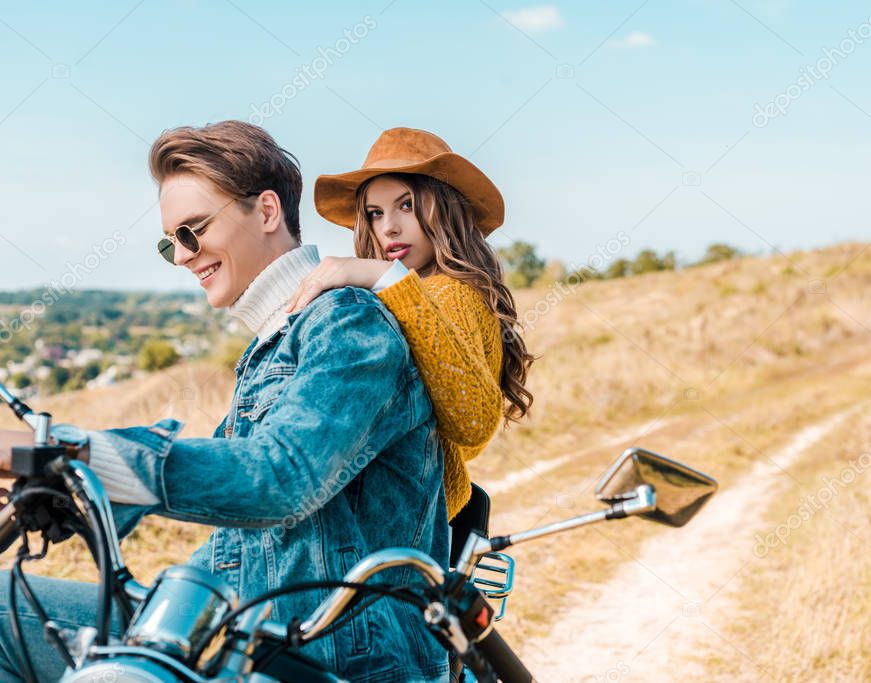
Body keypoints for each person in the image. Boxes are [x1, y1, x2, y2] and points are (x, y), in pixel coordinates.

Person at [0, 121, 449, 682]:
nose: (184, 256)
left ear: (265, 212)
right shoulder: (270, 346)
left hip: (330, 657)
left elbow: (279, 477)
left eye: (193, 231)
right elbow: (225, 479)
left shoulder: (347, 324)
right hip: (236, 631)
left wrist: (69, 451)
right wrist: (59, 490)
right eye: (171, 243)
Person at [286, 127, 534, 518]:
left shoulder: (448, 293)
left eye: (406, 206)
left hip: (406, 524)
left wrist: (387, 278)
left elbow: (472, 421)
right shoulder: (427, 293)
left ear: (444, 208)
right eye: (375, 213)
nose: (389, 228)